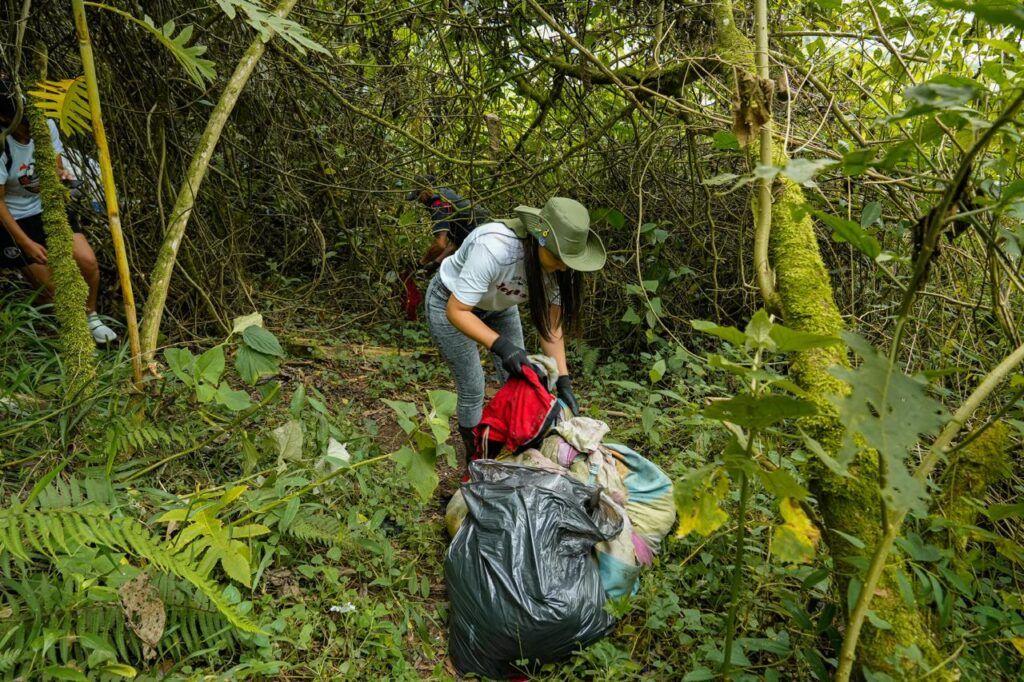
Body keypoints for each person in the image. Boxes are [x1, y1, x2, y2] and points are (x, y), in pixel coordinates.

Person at [425, 196, 606, 465]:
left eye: (570, 259)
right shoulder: (495, 248)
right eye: (559, 257)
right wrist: (502, 346)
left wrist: (565, 381)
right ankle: (476, 463)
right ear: (539, 239)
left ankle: (509, 451)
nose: (564, 266)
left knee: (521, 379)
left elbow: (551, 327)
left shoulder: (558, 268)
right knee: (474, 387)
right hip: (450, 303)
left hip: (499, 305)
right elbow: (457, 311)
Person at [0, 82, 116, 343]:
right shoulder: (2, 144)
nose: (31, 133)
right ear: (6, 119)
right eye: (24, 127)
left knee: (87, 261)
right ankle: (66, 334)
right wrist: (26, 243)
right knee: (50, 288)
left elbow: (54, 165)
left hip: (47, 206)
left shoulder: (45, 125)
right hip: (13, 219)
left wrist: (60, 175)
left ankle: (91, 318)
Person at [406, 174, 490, 272]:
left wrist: (420, 263)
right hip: (486, 233)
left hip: (484, 241)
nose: (419, 201)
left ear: (426, 190)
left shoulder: (438, 204)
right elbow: (457, 241)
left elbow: (440, 244)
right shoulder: (445, 193)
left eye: (418, 195)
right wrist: (436, 263)